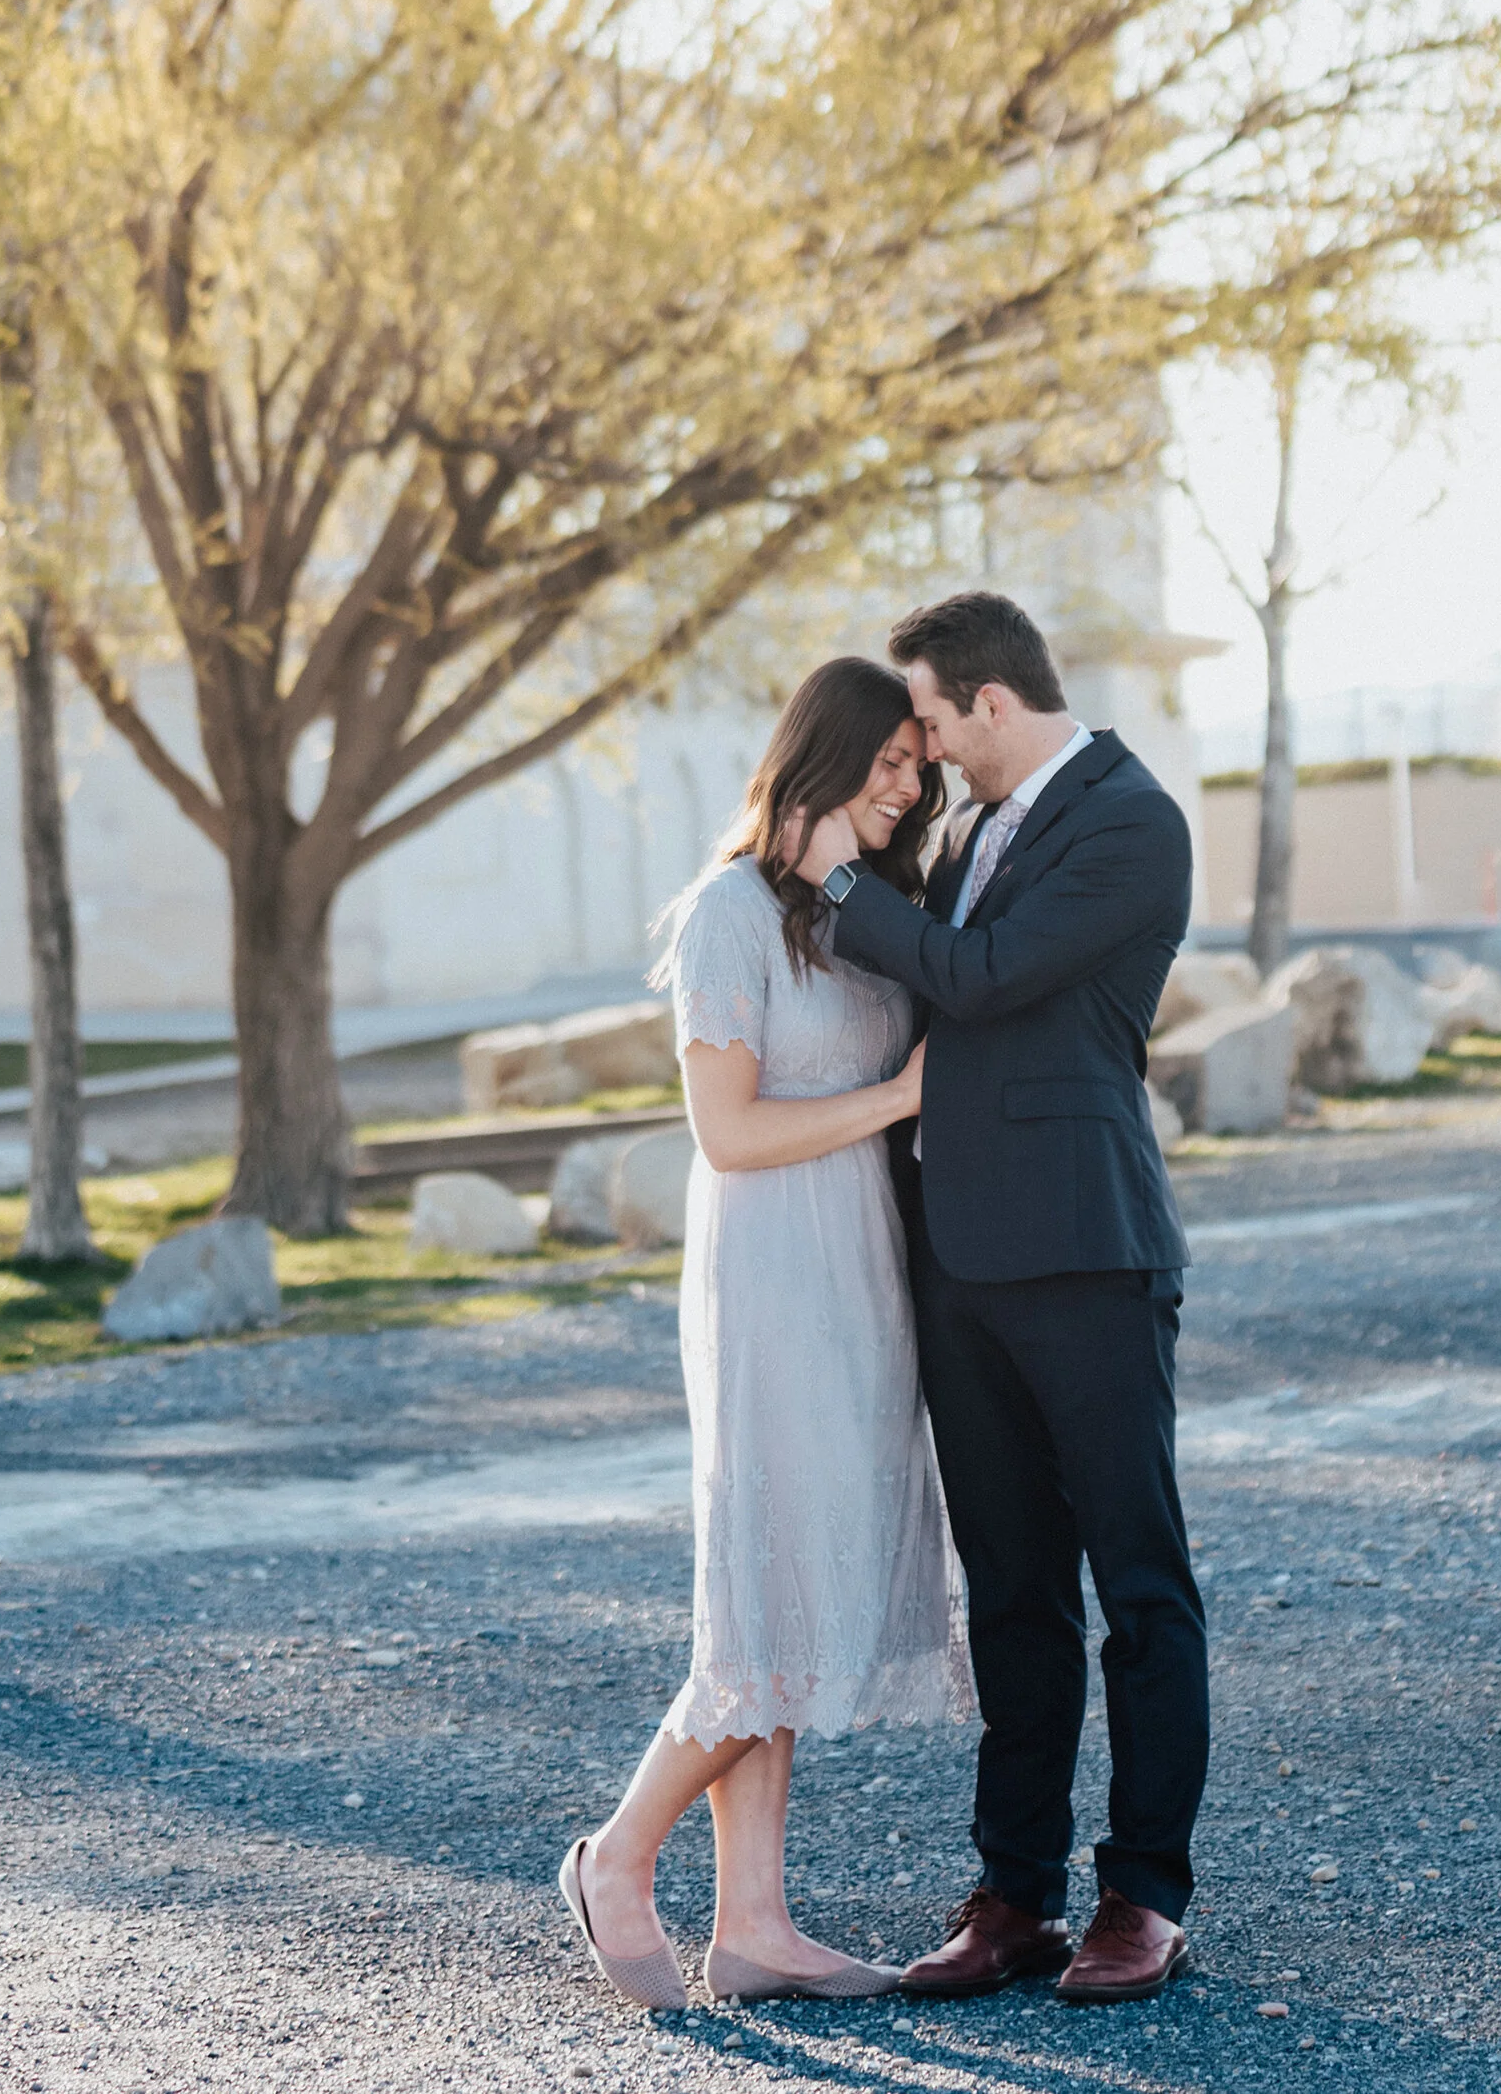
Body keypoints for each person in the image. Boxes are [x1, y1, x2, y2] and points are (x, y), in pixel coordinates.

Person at [802, 585, 1207, 2009]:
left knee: (1138, 1586)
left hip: (1091, 1255)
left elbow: (979, 981)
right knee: (1012, 1599)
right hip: (960, 1266)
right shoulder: (964, 829)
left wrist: (838, 886)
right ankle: (1015, 1893)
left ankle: (1143, 1894)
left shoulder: (1131, 818)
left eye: (925, 721)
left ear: (986, 700)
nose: (918, 754)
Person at [559, 657, 965, 2010]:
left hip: (863, 1275)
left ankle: (754, 1924)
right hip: (772, 1278)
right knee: (757, 1613)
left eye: (922, 765)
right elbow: (727, 1135)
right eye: (897, 760)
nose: (914, 784)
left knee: (788, 1601)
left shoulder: (864, 912)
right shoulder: (729, 911)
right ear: (830, 751)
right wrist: (901, 1092)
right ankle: (618, 1855)